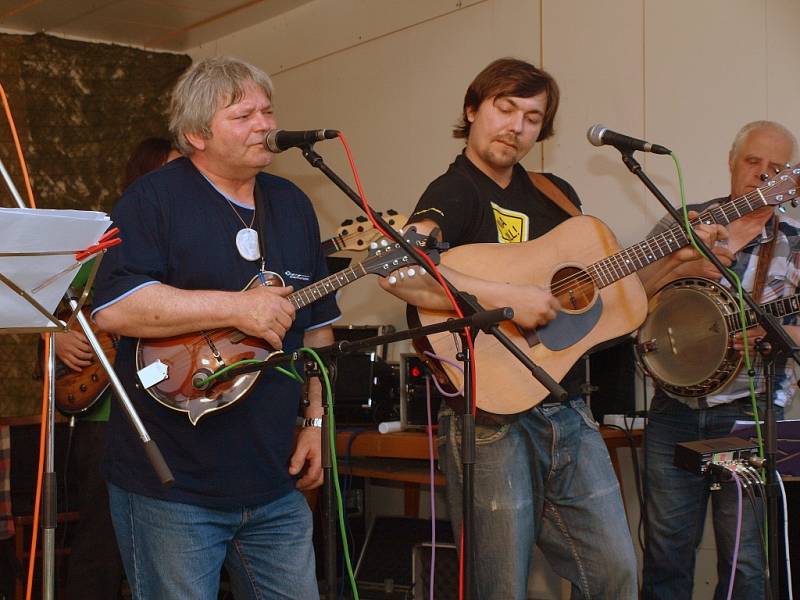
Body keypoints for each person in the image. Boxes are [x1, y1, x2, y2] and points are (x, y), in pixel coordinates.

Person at [380, 57, 724, 600]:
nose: (516, 126)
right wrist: (511, 297)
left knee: (615, 572)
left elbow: (606, 300)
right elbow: (399, 271)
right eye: (505, 107)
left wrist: (676, 260)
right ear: (472, 110)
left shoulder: (555, 193)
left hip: (566, 407)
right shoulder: (454, 191)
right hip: (490, 419)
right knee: (501, 588)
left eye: (533, 117)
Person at [91, 56, 339, 599]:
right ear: (196, 134)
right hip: (174, 482)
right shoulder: (154, 199)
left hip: (274, 479)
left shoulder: (293, 203)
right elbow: (114, 307)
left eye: (268, 111)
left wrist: (315, 423)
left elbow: (317, 334)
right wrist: (235, 308)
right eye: (243, 114)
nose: (264, 125)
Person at [641, 120, 799, 600]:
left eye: (776, 169)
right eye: (753, 162)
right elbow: (631, 294)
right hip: (673, 412)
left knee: (744, 563)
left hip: (748, 415)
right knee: (665, 555)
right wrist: (683, 263)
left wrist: (776, 334)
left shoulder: (795, 240)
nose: (761, 175)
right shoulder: (682, 221)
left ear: (790, 180)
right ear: (732, 164)